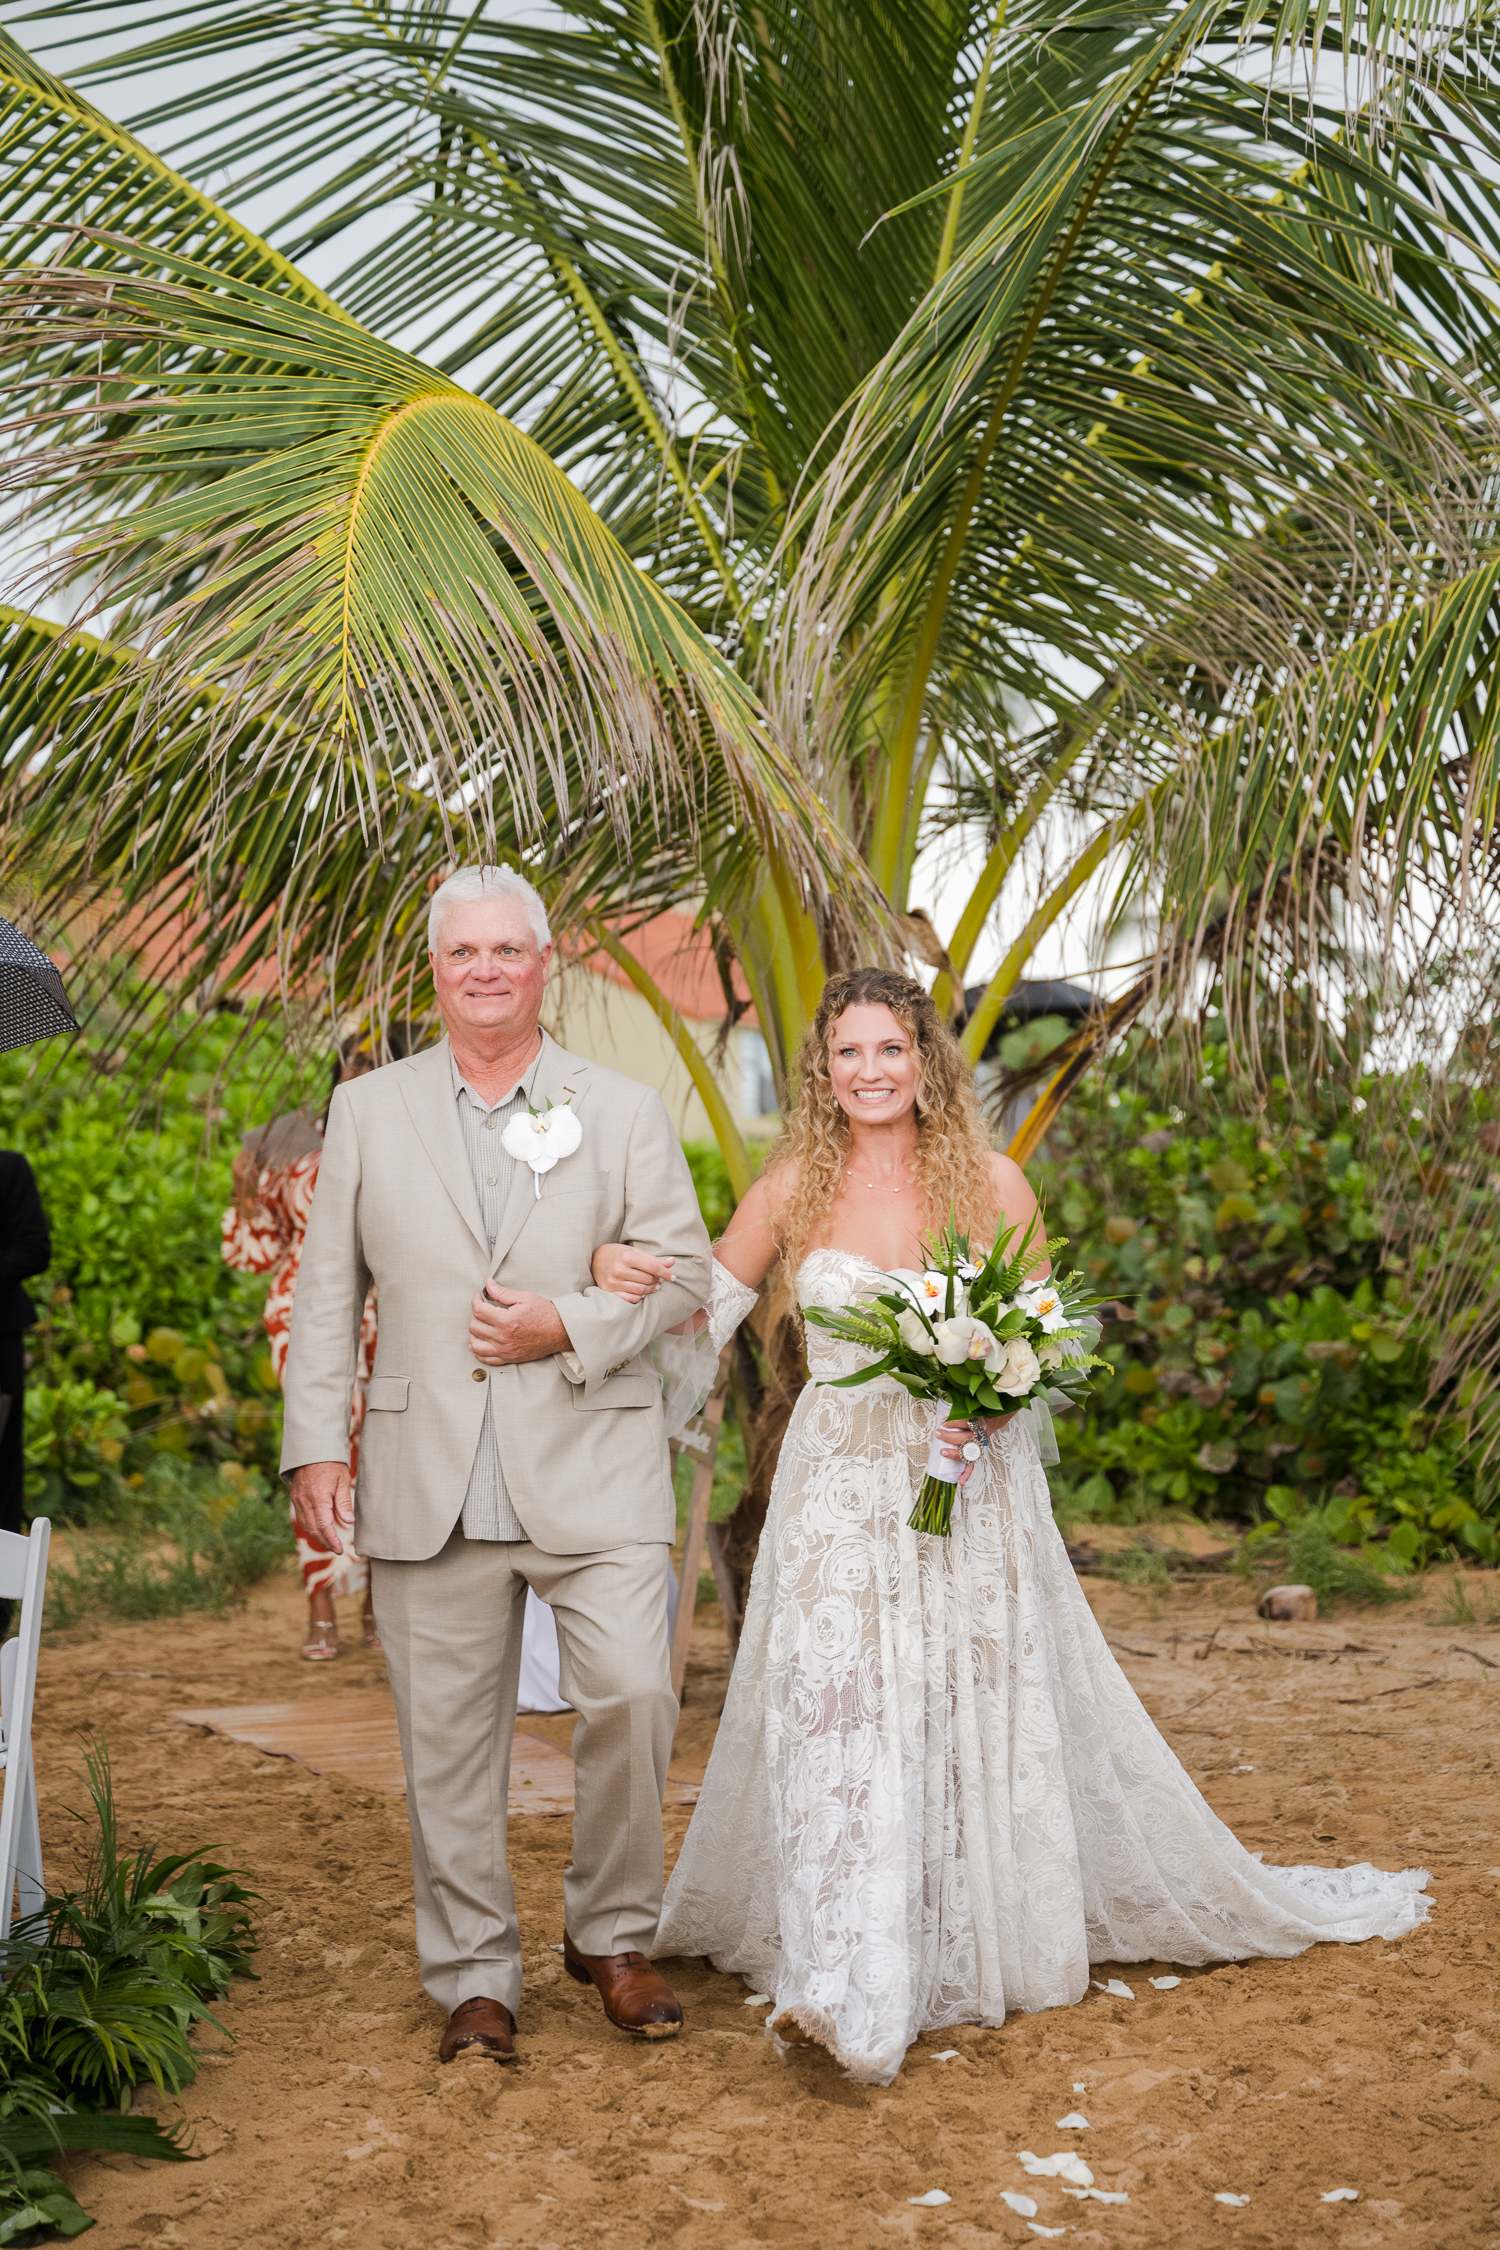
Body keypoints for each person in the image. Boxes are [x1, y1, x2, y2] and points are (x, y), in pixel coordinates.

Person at [593, 966, 1431, 2086]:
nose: (870, 1072)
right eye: (848, 1054)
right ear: (822, 1072)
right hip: (836, 1495)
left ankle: (933, 1944)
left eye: (891, 1050)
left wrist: (987, 1406)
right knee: (835, 1712)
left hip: (964, 1493)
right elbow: (709, 1303)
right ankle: (842, 1974)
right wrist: (617, 1272)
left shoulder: (993, 1183)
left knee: (950, 1701)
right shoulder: (794, 1181)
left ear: (926, 1060)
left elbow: (1044, 1343)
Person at [280, 863, 712, 2066]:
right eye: (462, 953)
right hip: (427, 1471)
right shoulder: (369, 1109)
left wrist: (563, 1324)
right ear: (435, 970)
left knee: (632, 1690)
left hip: (595, 1462)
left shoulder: (620, 1108)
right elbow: (328, 1295)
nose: (484, 972)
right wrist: (315, 1442)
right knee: (446, 1742)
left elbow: (682, 1274)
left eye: (506, 953)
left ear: (542, 965)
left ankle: (610, 1934)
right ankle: (476, 1975)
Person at [222, 1063, 380, 1659]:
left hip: (387, 1317)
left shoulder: (409, 1142)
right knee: (316, 1451)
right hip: (302, 1318)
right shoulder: (292, 1155)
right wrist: (244, 1185)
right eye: (353, 1074)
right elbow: (256, 1251)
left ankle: (374, 1598)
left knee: (383, 1456)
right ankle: (320, 1599)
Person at [0, 1149, 50, 1635]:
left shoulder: (9, 1168)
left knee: (0, 1479)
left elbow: (35, 1247)